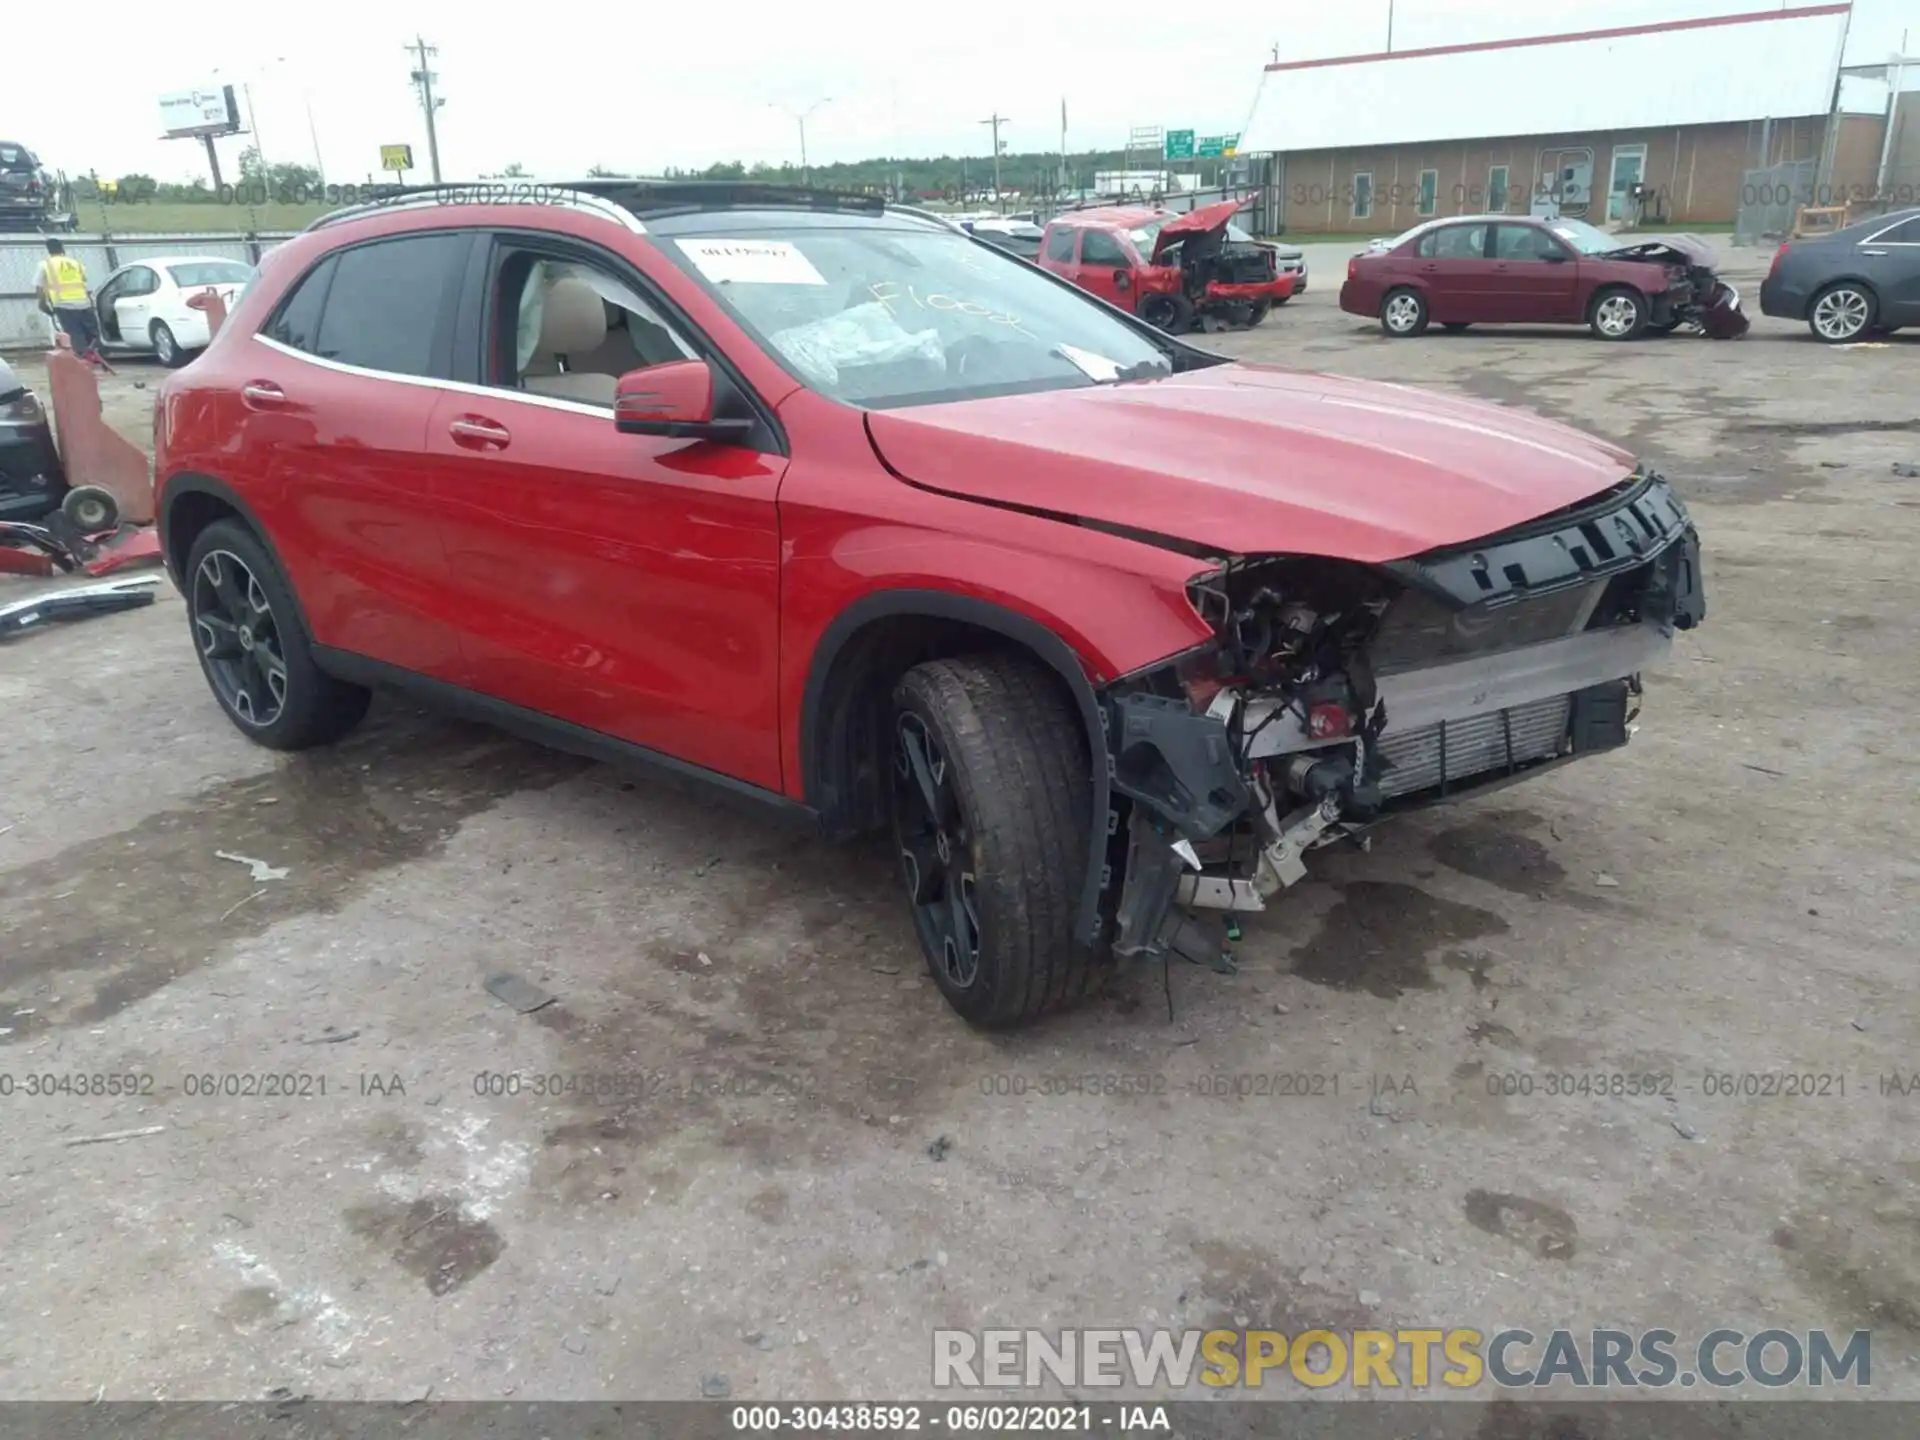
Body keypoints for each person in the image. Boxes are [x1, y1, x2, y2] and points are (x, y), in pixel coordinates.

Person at [34, 237, 102, 360]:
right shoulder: (76, 263)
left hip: (63, 304)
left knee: (74, 333)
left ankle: (82, 359)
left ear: (48, 250)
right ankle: (93, 354)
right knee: (92, 333)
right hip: (83, 303)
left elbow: (40, 288)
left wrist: (42, 305)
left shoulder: (45, 264)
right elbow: (83, 281)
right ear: (62, 248)